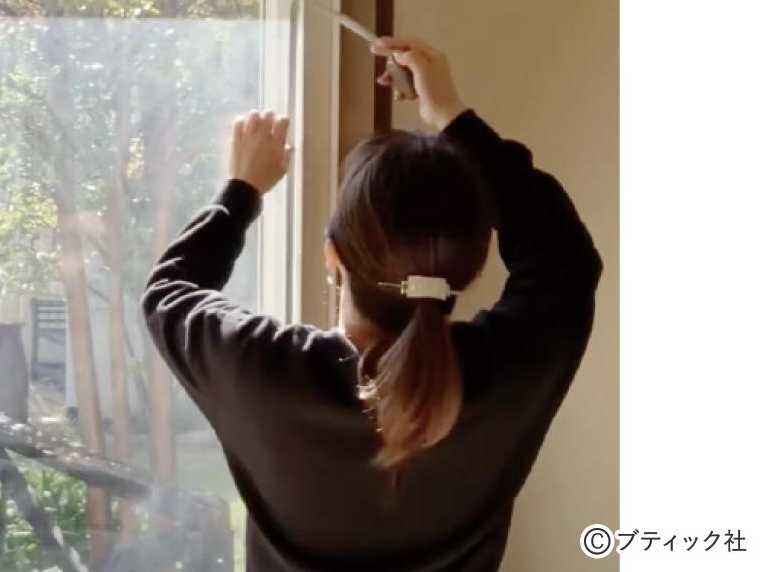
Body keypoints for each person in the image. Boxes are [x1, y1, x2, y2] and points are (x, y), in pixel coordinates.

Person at [141, 36, 603, 571]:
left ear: (333, 257)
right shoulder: (510, 373)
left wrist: (243, 189)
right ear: (473, 266)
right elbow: (564, 255)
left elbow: (167, 291)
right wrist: (454, 117)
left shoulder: (261, 371)